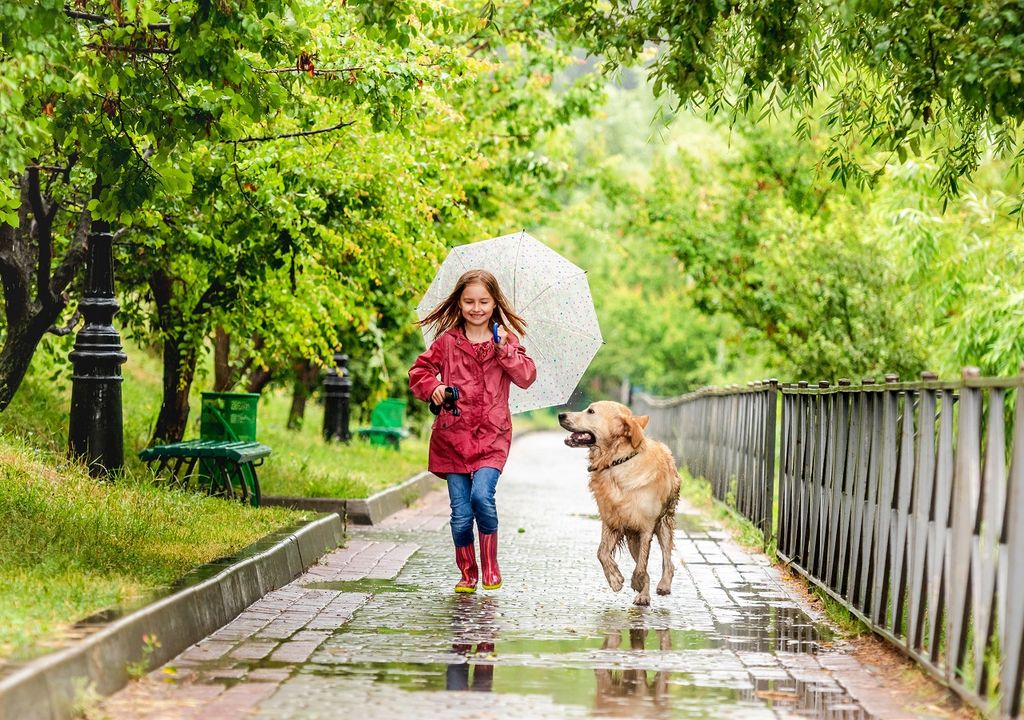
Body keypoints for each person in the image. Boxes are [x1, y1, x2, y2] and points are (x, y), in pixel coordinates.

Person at [409, 269, 537, 593]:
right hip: (452, 438)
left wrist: (505, 349)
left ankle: (491, 565)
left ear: (494, 303)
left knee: (482, 496)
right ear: (460, 303)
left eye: (483, 301)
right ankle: (468, 572)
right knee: (461, 515)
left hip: (492, 437)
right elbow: (419, 371)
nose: (476, 308)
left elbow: (526, 377)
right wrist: (435, 387)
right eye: (469, 301)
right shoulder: (448, 342)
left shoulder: (506, 341)